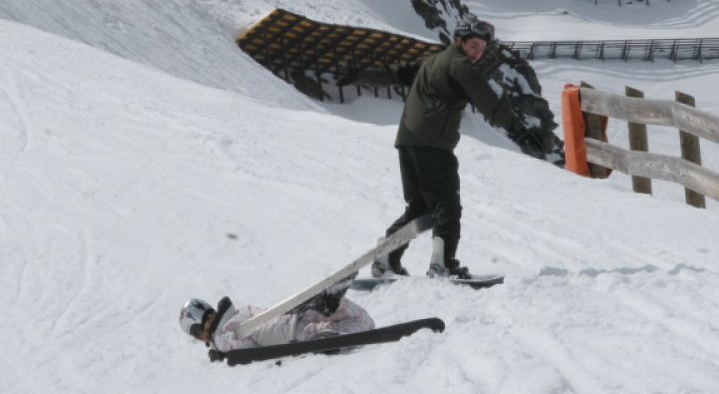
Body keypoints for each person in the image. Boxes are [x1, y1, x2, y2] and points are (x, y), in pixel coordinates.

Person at [368, 18, 515, 280]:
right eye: (473, 45)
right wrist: (524, 130)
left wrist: (357, 73)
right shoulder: (459, 65)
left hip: (408, 141)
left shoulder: (433, 60)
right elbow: (491, 105)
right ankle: (443, 264)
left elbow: (396, 73)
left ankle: (386, 257)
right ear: (459, 41)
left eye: (481, 49)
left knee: (421, 206)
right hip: (432, 144)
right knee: (447, 205)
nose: (477, 53)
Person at [179, 278, 374, 353]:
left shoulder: (222, 338)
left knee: (347, 328)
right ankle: (327, 305)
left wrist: (221, 353)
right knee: (364, 322)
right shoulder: (237, 311)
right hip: (291, 316)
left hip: (288, 331)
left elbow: (246, 350)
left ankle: (327, 326)